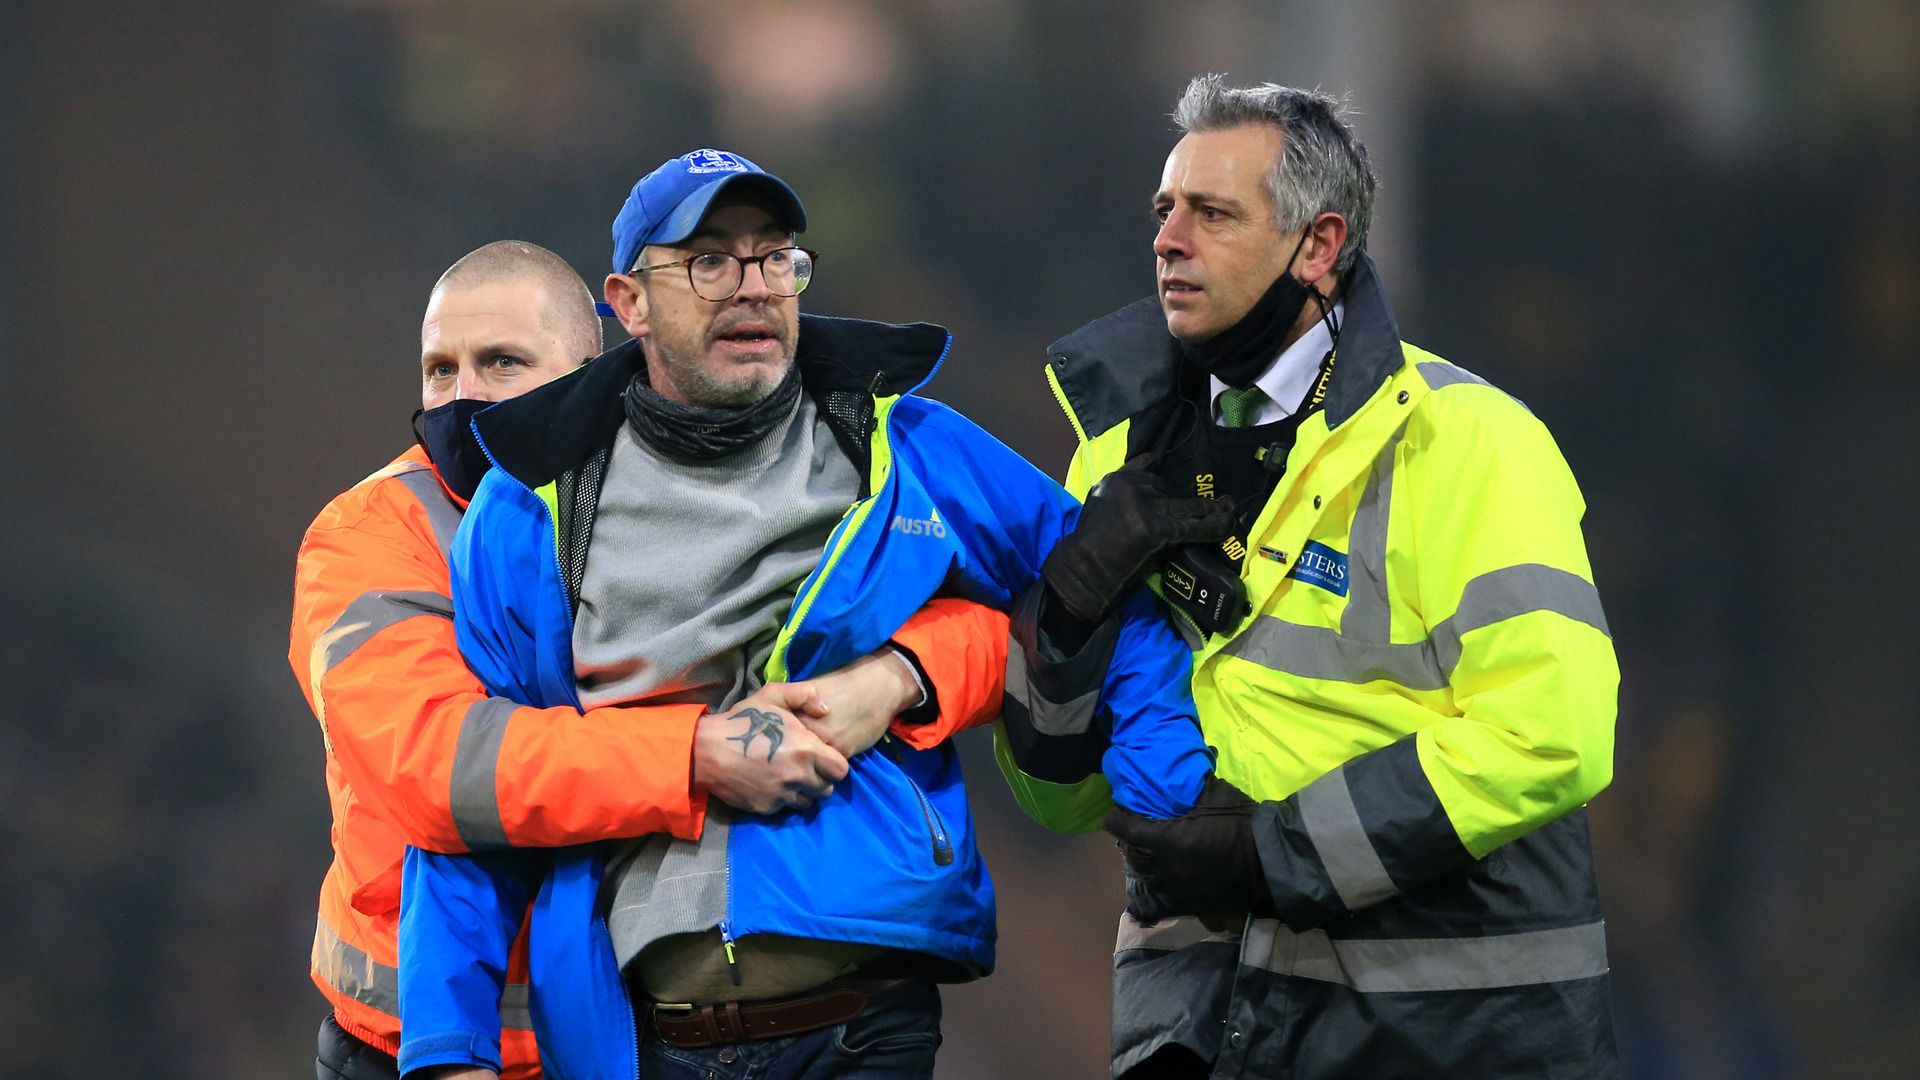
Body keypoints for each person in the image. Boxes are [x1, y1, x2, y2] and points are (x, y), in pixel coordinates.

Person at [396, 149, 1216, 1080]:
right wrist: (449, 1049)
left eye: (775, 257)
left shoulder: (906, 447)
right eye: (709, 261)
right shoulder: (527, 509)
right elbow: (486, 786)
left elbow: (1100, 593)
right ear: (629, 303)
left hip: (868, 1022)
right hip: (642, 1039)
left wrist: (1165, 806)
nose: (752, 286)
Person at [997, 76, 1621, 1078]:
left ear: (1319, 247)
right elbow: (1056, 803)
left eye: (1212, 214)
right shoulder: (1111, 458)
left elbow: (1551, 732)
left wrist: (1273, 851)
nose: (1168, 240)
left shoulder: (1470, 440)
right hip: (1203, 1031)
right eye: (1164, 210)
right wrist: (1064, 617)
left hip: (1448, 1038)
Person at [289, 240, 1015, 1080]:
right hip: (418, 1045)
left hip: (610, 1033)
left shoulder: (662, 486)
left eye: (502, 362)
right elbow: (438, 765)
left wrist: (895, 675)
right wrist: (694, 753)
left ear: (590, 368)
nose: (465, 397)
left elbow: (998, 615)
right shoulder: (372, 535)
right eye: (439, 371)